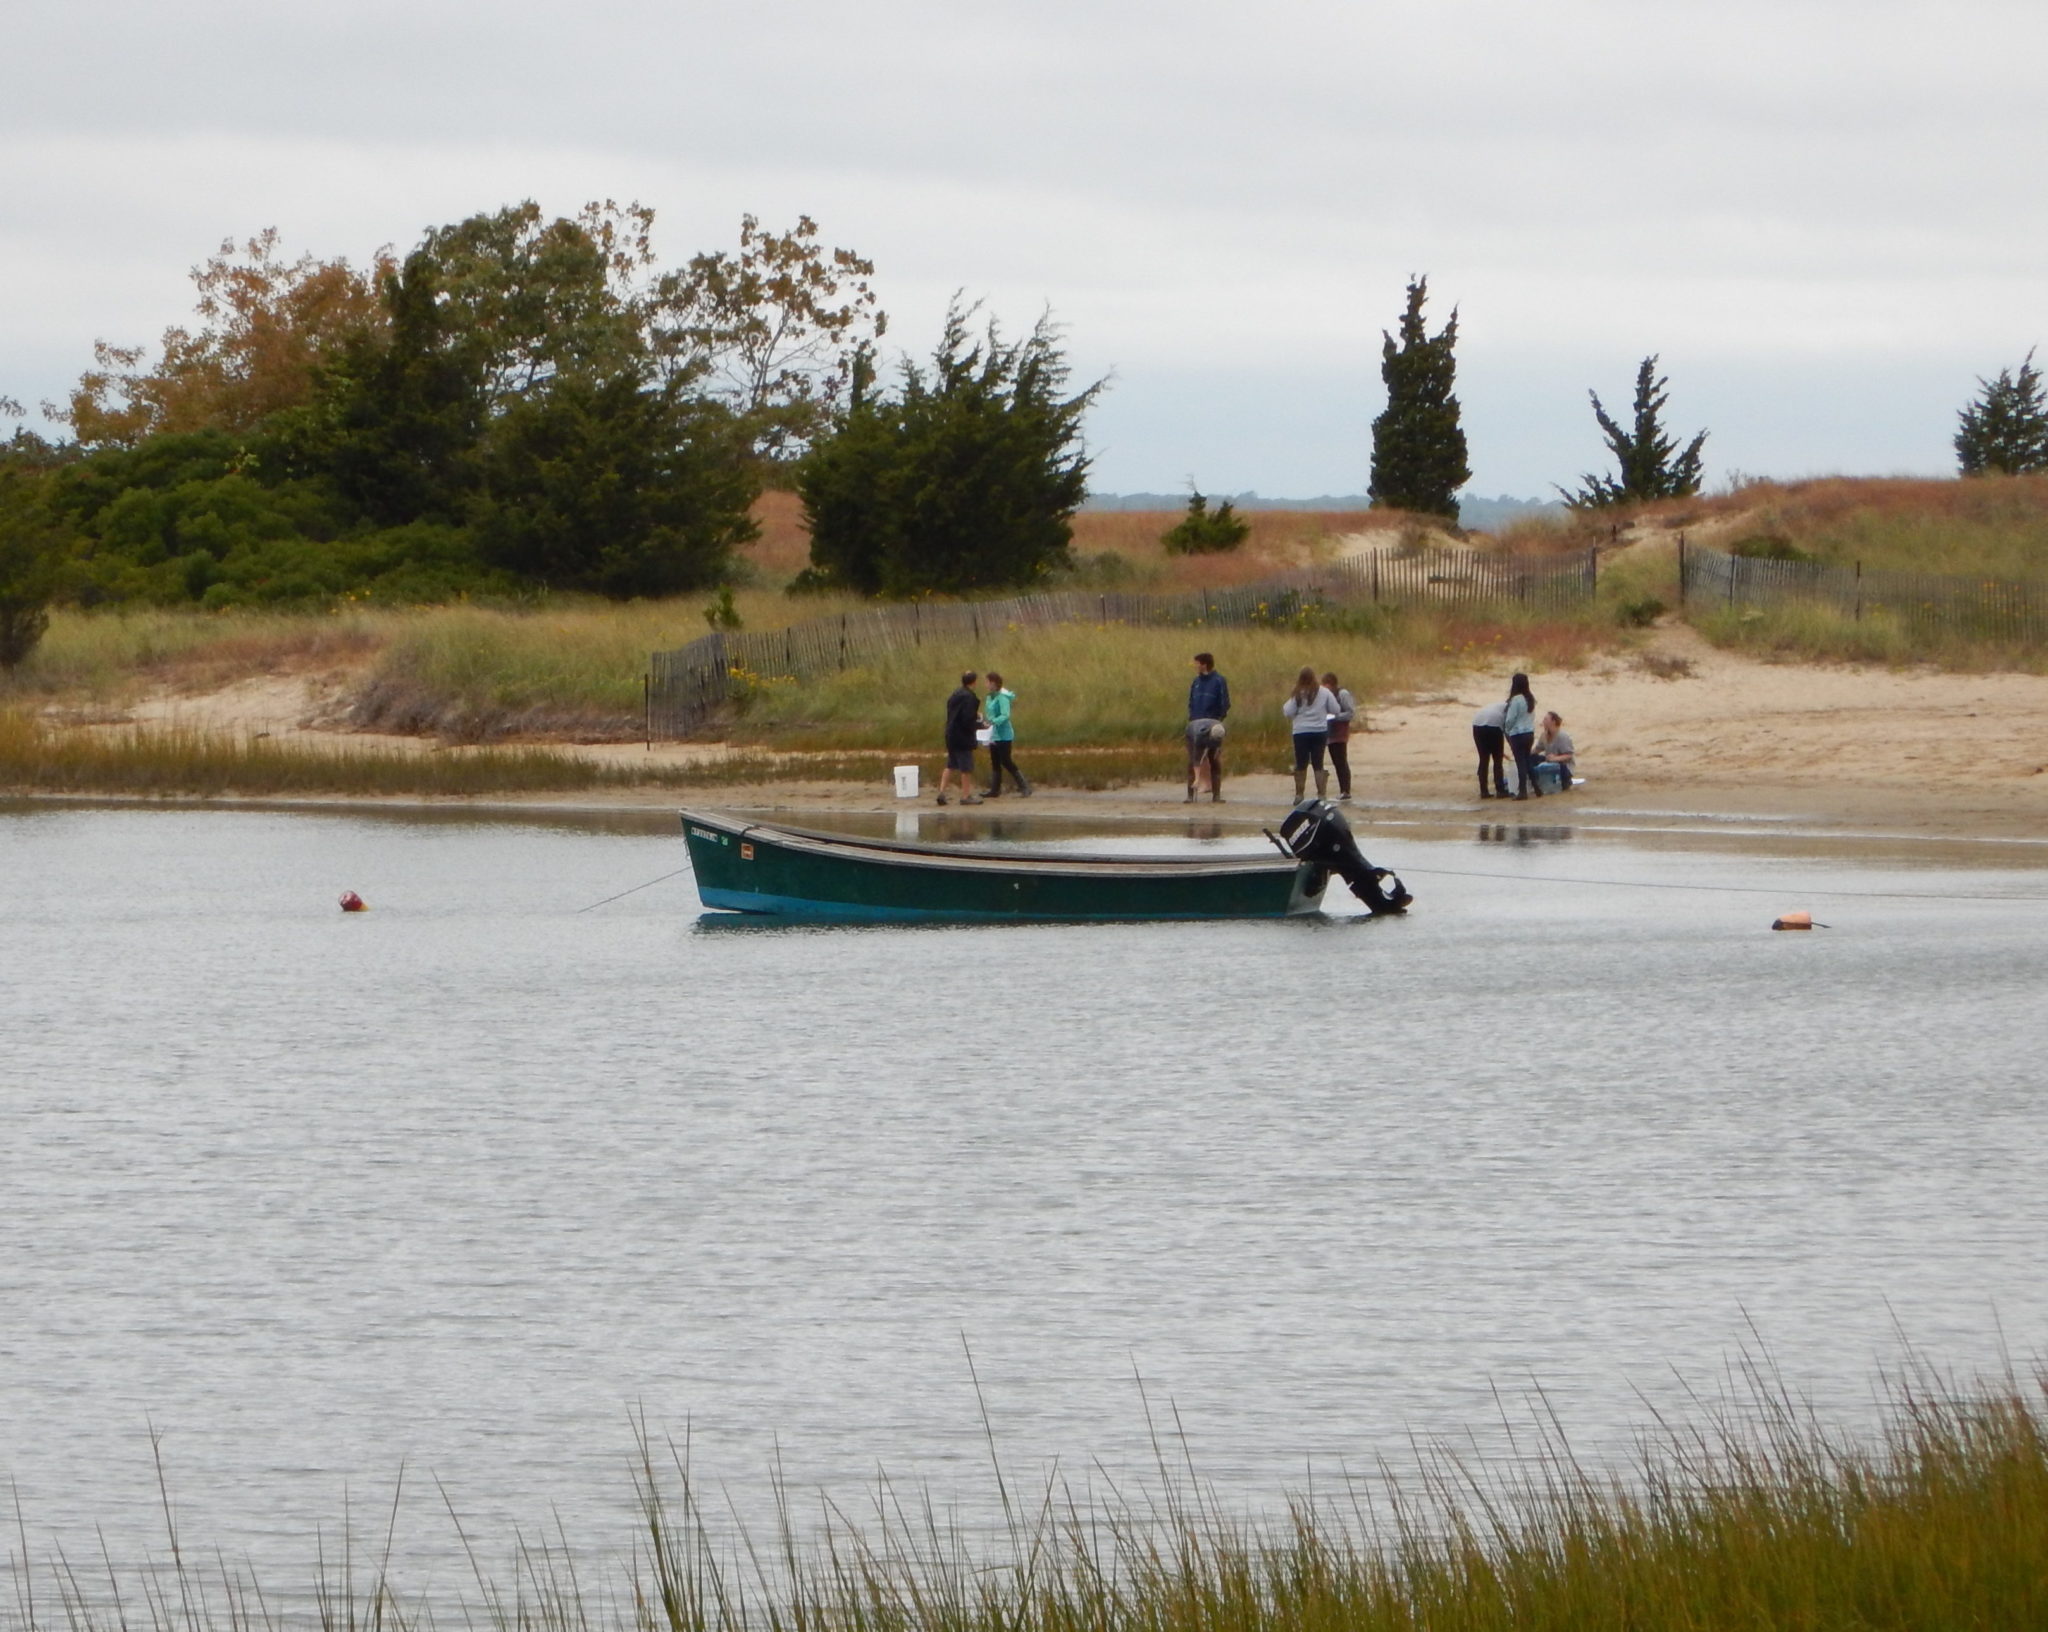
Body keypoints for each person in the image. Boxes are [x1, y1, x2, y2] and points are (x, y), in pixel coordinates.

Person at [1282, 665, 1341, 801]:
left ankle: (1299, 794)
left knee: (1301, 762)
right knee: (1318, 762)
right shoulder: (1324, 692)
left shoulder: (1297, 693)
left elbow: (1288, 712)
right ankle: (1321, 794)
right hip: (1319, 731)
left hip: (1300, 731)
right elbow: (1335, 709)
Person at [1186, 651, 1231, 802]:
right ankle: (1190, 795)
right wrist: (1192, 717)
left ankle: (1216, 795)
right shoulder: (1196, 682)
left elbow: (1225, 703)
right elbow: (1191, 701)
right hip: (1195, 723)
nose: (1195, 666)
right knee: (1193, 759)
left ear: (1204, 664)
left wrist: (1218, 720)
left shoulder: (1219, 681)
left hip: (1213, 723)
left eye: (1197, 663)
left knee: (1214, 758)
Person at [937, 670, 984, 805]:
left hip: (950, 733)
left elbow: (957, 714)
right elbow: (966, 720)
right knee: (966, 767)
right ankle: (965, 796)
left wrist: (975, 717)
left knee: (951, 764)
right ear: (974, 682)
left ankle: (941, 792)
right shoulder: (969, 697)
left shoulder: (955, 694)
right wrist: (980, 725)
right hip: (962, 736)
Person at [982, 671, 1031, 797]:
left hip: (1004, 734)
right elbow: (989, 712)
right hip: (993, 734)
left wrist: (993, 721)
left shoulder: (1002, 697)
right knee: (995, 761)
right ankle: (995, 789)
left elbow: (1005, 715)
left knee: (1006, 760)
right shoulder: (989, 697)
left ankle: (1024, 786)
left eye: (987, 682)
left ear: (993, 683)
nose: (985, 684)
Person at [1502, 672, 1541, 800]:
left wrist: (1506, 729)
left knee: (1520, 762)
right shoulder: (1530, 698)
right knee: (1527, 760)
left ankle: (1523, 791)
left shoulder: (1516, 699)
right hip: (1529, 733)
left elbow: (1511, 718)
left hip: (1517, 734)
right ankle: (1536, 786)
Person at [1321, 671, 1357, 801]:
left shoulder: (1343, 694)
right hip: (1330, 733)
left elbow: (1351, 712)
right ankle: (1343, 790)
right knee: (1336, 761)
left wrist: (1335, 717)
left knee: (1341, 761)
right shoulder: (1327, 696)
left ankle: (1346, 790)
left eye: (1326, 686)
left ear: (1331, 684)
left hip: (1340, 733)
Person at [1471, 697, 1510, 799]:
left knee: (1483, 759)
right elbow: (1507, 730)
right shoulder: (1509, 710)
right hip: (1494, 726)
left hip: (1477, 724)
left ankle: (1484, 791)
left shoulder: (1497, 705)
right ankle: (1500, 790)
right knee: (1497, 760)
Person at [1532, 710, 1575, 793]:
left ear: (1553, 721)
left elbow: (1569, 755)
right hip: (1549, 762)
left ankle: (1566, 782)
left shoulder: (1563, 736)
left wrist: (1555, 758)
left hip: (1564, 766)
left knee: (1560, 768)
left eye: (1546, 719)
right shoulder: (1544, 735)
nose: (1543, 722)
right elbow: (1538, 749)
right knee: (1532, 759)